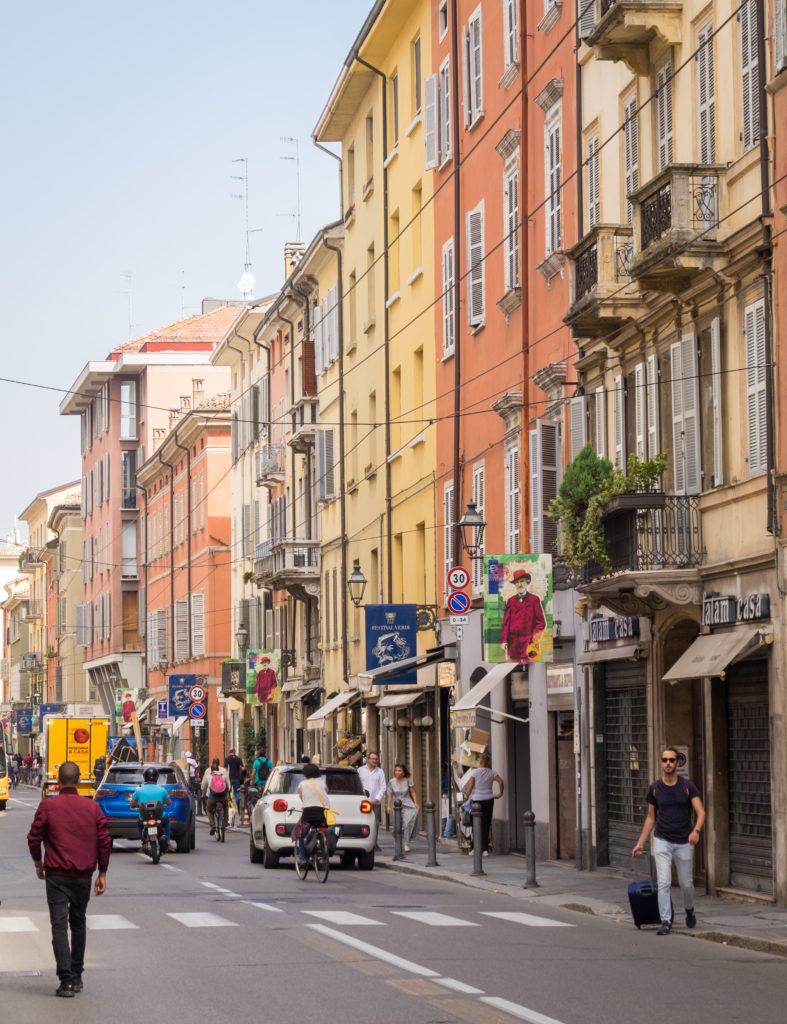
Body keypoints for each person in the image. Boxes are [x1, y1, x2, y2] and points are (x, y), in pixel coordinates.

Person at [27, 761, 111, 998]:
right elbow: (104, 840)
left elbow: (34, 838)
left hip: (57, 875)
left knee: (58, 926)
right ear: (79, 779)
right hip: (84, 875)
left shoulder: (48, 806)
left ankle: (66, 981)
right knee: (79, 923)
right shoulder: (91, 807)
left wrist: (38, 863)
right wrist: (102, 872)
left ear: (58, 780)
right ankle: (77, 975)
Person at [632, 746, 705, 935]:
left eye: (671, 760)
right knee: (663, 882)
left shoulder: (687, 787)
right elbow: (650, 817)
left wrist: (696, 831)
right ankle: (665, 921)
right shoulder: (655, 788)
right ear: (661, 763)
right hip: (662, 839)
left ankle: (689, 910)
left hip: (684, 841)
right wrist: (640, 842)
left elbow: (701, 812)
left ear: (677, 763)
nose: (668, 764)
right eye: (665, 760)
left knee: (686, 883)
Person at [462, 752, 504, 856]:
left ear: (480, 761)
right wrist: (500, 793)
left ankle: (474, 849)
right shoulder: (492, 773)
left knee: (475, 825)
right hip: (489, 800)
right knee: (486, 825)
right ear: (488, 762)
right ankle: (484, 849)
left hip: (477, 801)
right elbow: (501, 782)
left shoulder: (475, 772)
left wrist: (466, 796)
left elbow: (470, 787)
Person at [500, 569, 546, 663]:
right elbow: (506, 623)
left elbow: (541, 623)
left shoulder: (534, 600)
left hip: (529, 643)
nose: (519, 584)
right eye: (517, 582)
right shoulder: (511, 601)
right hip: (514, 644)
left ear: (527, 582)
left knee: (532, 664)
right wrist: (504, 640)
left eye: (521, 581)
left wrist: (535, 637)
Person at [129, 766, 173, 850]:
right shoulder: (162, 790)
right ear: (157, 777)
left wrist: (136, 804)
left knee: (139, 823)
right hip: (160, 817)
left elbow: (132, 804)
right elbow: (169, 802)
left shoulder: (139, 790)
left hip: (144, 818)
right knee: (167, 822)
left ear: (145, 777)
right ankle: (167, 841)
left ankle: (143, 841)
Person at [295, 762, 330, 865]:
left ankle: (302, 858)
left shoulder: (302, 784)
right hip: (322, 812)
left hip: (308, 812)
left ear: (305, 773)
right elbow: (326, 792)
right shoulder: (322, 783)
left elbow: (301, 797)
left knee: (301, 834)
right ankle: (322, 850)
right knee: (322, 830)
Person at [386, 763, 419, 853]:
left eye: (399, 770)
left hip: (408, 803)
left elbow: (412, 791)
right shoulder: (391, 782)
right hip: (396, 805)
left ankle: (406, 843)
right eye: (396, 770)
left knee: (407, 823)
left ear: (403, 772)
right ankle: (397, 840)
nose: (397, 772)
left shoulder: (408, 780)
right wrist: (388, 806)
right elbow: (390, 795)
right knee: (397, 824)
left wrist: (415, 803)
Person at [358, 751, 386, 850]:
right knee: (363, 822)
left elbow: (383, 787)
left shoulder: (380, 772)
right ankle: (363, 841)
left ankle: (374, 843)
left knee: (375, 823)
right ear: (368, 759)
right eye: (372, 759)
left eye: (376, 759)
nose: (375, 761)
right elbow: (358, 785)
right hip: (363, 802)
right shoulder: (360, 770)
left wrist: (376, 799)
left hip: (374, 803)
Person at [201, 757, 231, 835]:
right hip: (222, 796)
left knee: (209, 810)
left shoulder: (208, 773)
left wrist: (203, 795)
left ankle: (212, 825)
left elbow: (203, 787)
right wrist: (228, 794)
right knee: (225, 807)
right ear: (219, 764)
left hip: (212, 797)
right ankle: (225, 822)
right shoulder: (223, 772)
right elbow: (229, 785)